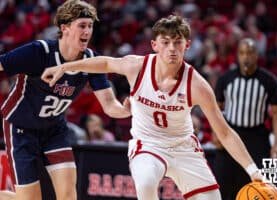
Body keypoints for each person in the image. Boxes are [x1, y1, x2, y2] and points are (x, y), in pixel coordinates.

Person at [41, 15, 263, 200]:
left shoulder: (197, 85)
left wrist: (253, 171)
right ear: (155, 45)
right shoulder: (137, 66)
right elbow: (105, 63)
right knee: (146, 182)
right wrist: (66, 66)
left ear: (187, 45)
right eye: (165, 42)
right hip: (147, 144)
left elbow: (224, 131)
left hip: (183, 147)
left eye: (177, 42)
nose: (172, 48)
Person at [0, 1, 130, 200]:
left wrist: (126, 110)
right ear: (64, 28)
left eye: (90, 26)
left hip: (54, 129)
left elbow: (110, 105)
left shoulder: (90, 60)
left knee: (69, 196)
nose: (87, 31)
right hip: (20, 128)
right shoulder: (39, 52)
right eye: (82, 25)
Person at [214, 38, 277, 200]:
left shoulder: (269, 80)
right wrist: (216, 132)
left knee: (268, 184)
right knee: (223, 183)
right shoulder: (226, 79)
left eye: (250, 53)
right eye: (242, 53)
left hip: (258, 136)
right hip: (230, 134)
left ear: (256, 55)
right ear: (238, 55)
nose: (246, 57)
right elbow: (216, 109)